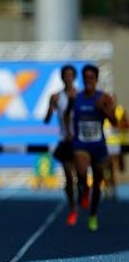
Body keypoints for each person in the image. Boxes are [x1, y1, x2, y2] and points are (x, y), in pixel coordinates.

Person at [65, 64, 117, 232]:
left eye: (91, 78)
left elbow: (115, 122)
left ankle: (93, 215)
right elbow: (66, 114)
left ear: (96, 79)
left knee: (98, 180)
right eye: (86, 78)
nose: (88, 81)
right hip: (81, 143)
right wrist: (69, 132)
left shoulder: (104, 98)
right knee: (80, 172)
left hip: (98, 144)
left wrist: (103, 109)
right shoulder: (76, 98)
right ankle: (84, 188)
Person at [44, 65, 78, 226]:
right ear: (62, 77)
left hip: (80, 140)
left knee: (82, 176)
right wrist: (50, 111)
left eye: (71, 75)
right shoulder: (56, 97)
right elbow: (47, 119)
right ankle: (72, 206)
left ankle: (83, 194)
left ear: (75, 77)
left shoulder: (81, 95)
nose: (68, 77)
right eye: (66, 75)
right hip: (65, 139)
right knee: (69, 178)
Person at [103, 97, 128, 200]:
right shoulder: (102, 111)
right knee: (107, 168)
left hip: (117, 144)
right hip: (105, 144)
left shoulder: (120, 110)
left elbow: (126, 124)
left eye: (112, 101)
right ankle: (109, 188)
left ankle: (112, 188)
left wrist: (117, 126)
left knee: (116, 168)